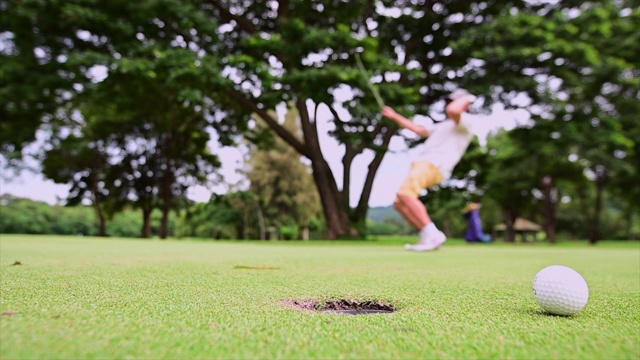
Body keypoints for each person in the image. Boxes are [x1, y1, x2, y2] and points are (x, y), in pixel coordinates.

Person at [381, 89, 481, 251]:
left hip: (434, 164)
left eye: (453, 101)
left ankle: (434, 234)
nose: (449, 104)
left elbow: (453, 110)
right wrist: (394, 116)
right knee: (399, 203)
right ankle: (427, 236)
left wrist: (468, 97)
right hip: (425, 163)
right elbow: (418, 130)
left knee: (405, 194)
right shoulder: (444, 125)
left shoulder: (466, 122)